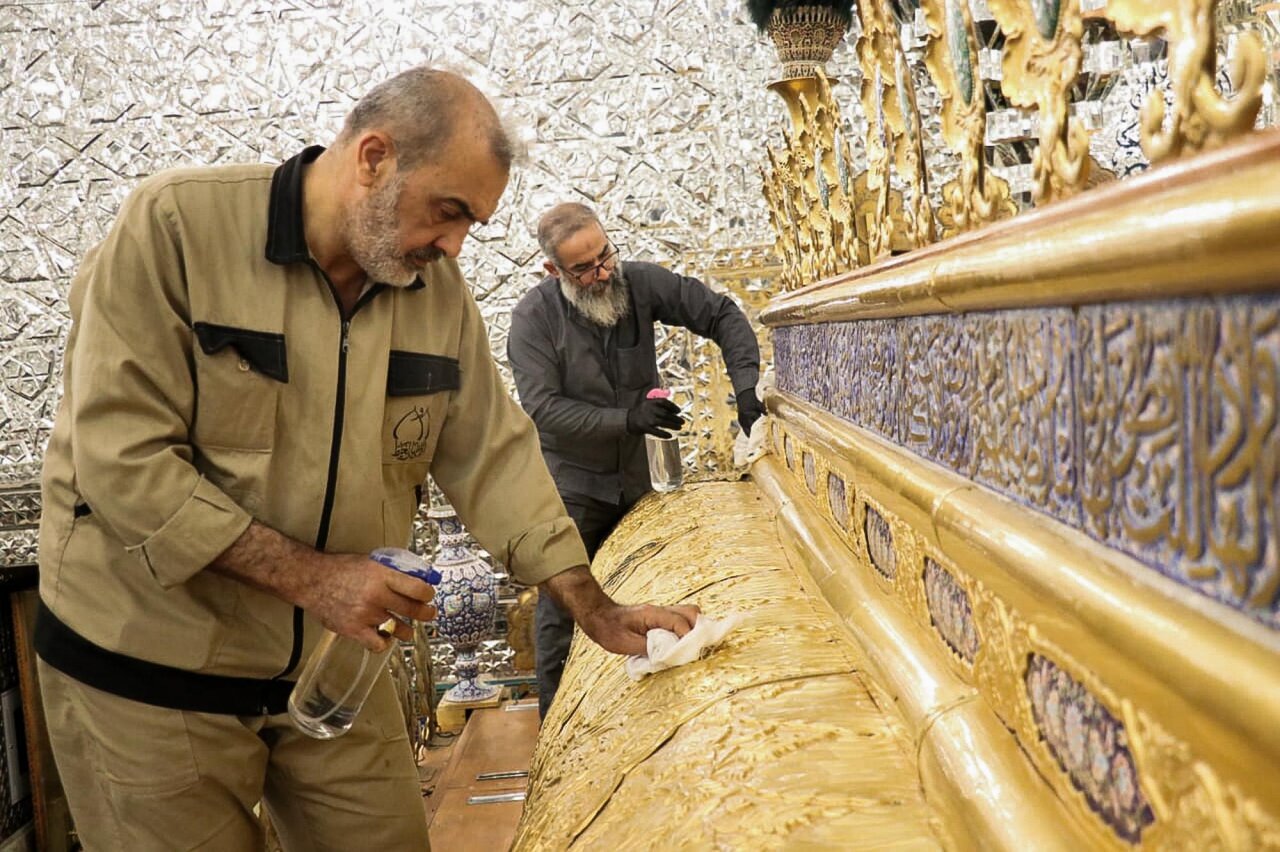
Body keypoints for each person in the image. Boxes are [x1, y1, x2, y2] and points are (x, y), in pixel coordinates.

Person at [34, 68, 698, 851]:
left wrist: (593, 604)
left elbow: (492, 449)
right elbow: (121, 461)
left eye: (471, 225)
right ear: (374, 158)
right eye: (448, 213)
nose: (453, 247)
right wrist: (317, 579)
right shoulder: (175, 227)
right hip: (146, 668)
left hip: (328, 665)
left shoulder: (432, 289)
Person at [507, 202, 765, 718]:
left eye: (605, 256)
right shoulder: (533, 319)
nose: (602, 274)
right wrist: (627, 419)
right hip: (573, 490)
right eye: (584, 269)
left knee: (650, 587)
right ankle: (557, 735)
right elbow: (543, 408)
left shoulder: (638, 283)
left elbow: (721, 314)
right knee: (565, 612)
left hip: (638, 482)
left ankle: (650, 717)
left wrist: (747, 390)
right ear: (553, 271)